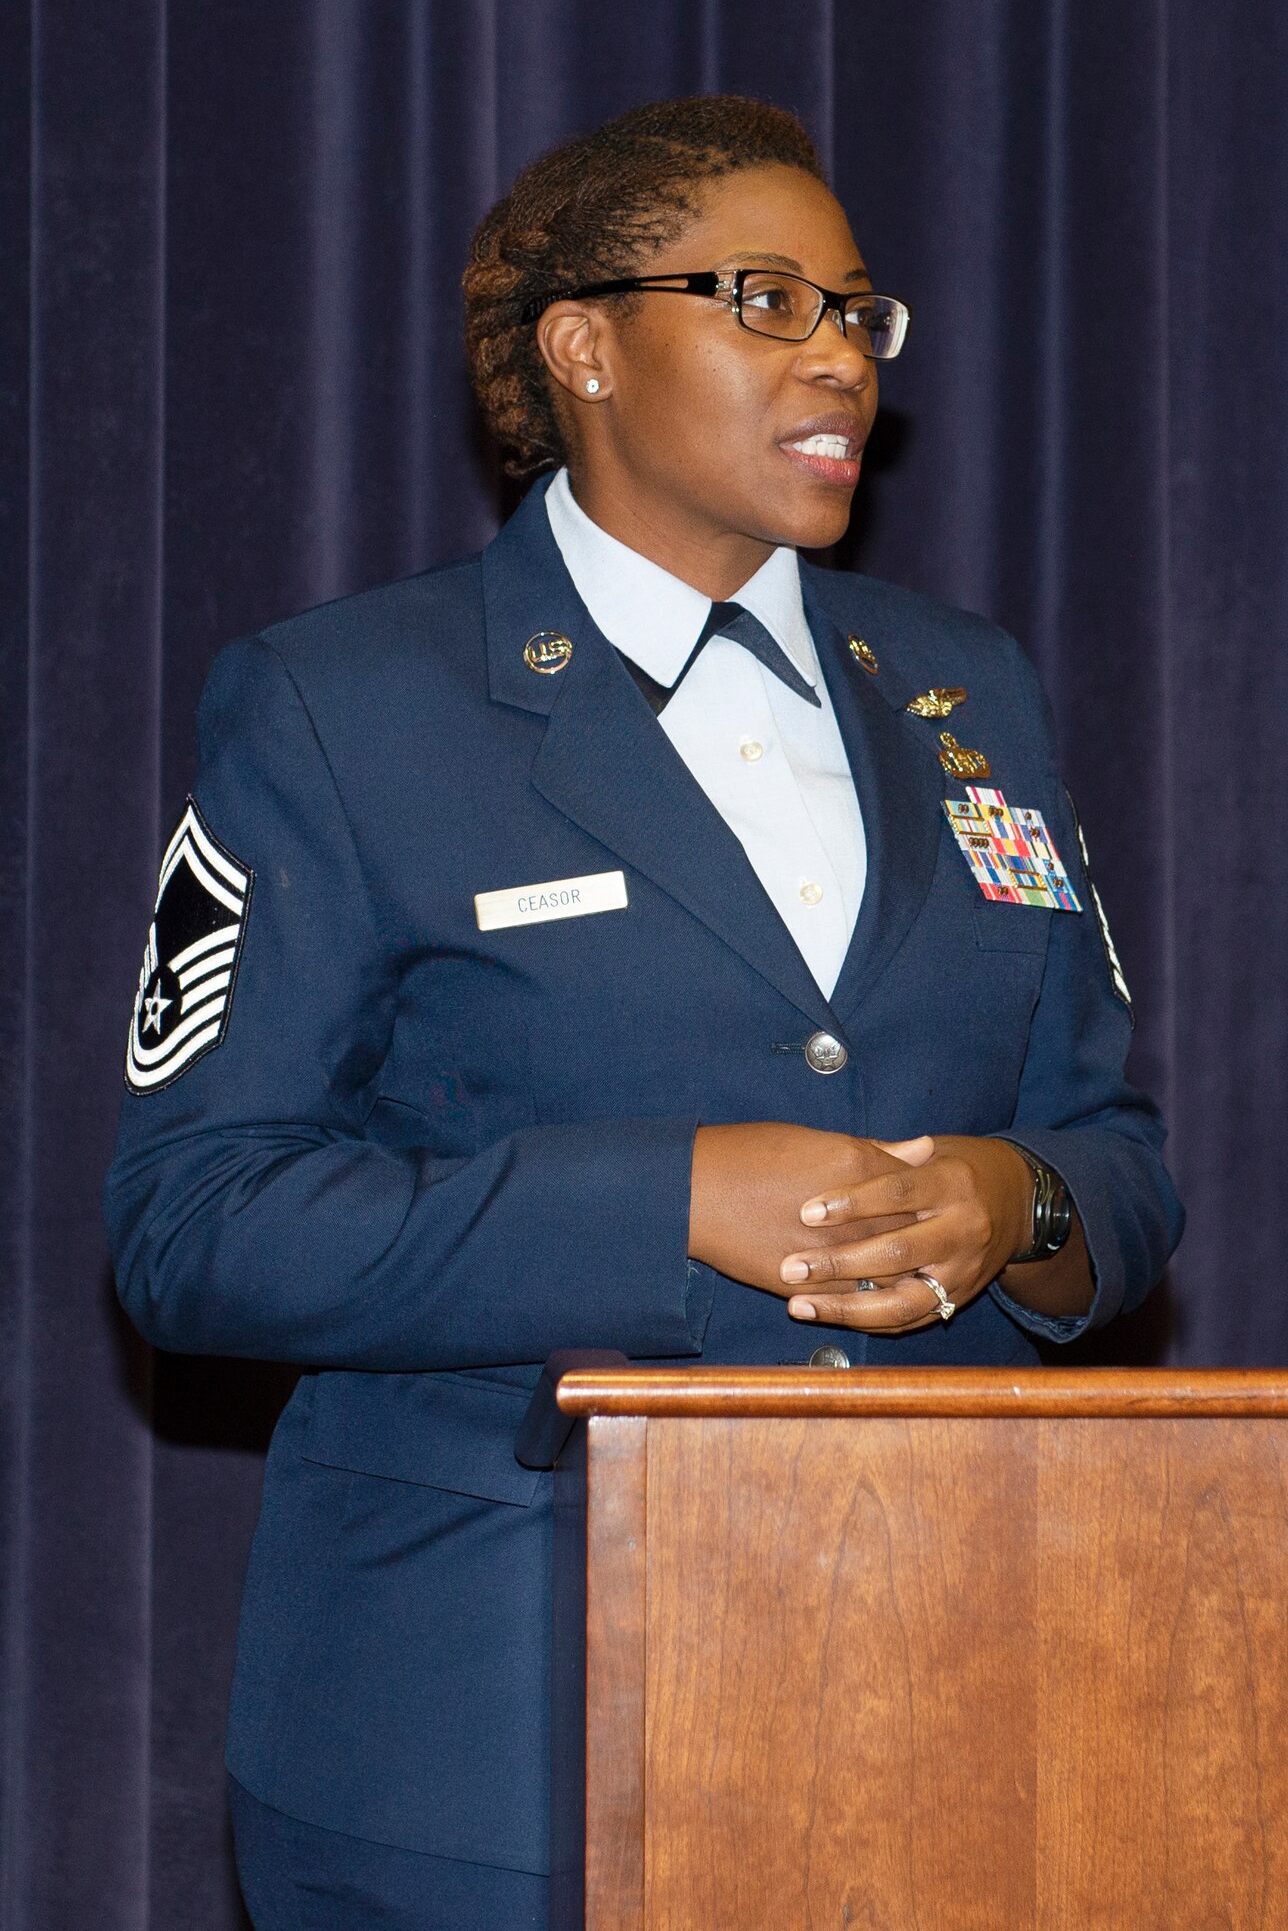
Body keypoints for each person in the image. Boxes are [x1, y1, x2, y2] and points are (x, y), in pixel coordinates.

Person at [104, 94, 1182, 1930]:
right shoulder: (343, 706)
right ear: (584, 346)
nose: (837, 352)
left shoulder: (966, 686)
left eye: (856, 311)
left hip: (957, 1704)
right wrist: (669, 1199)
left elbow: (1120, 1155)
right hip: (485, 1738)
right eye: (763, 298)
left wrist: (1025, 1210)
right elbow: (196, 1226)